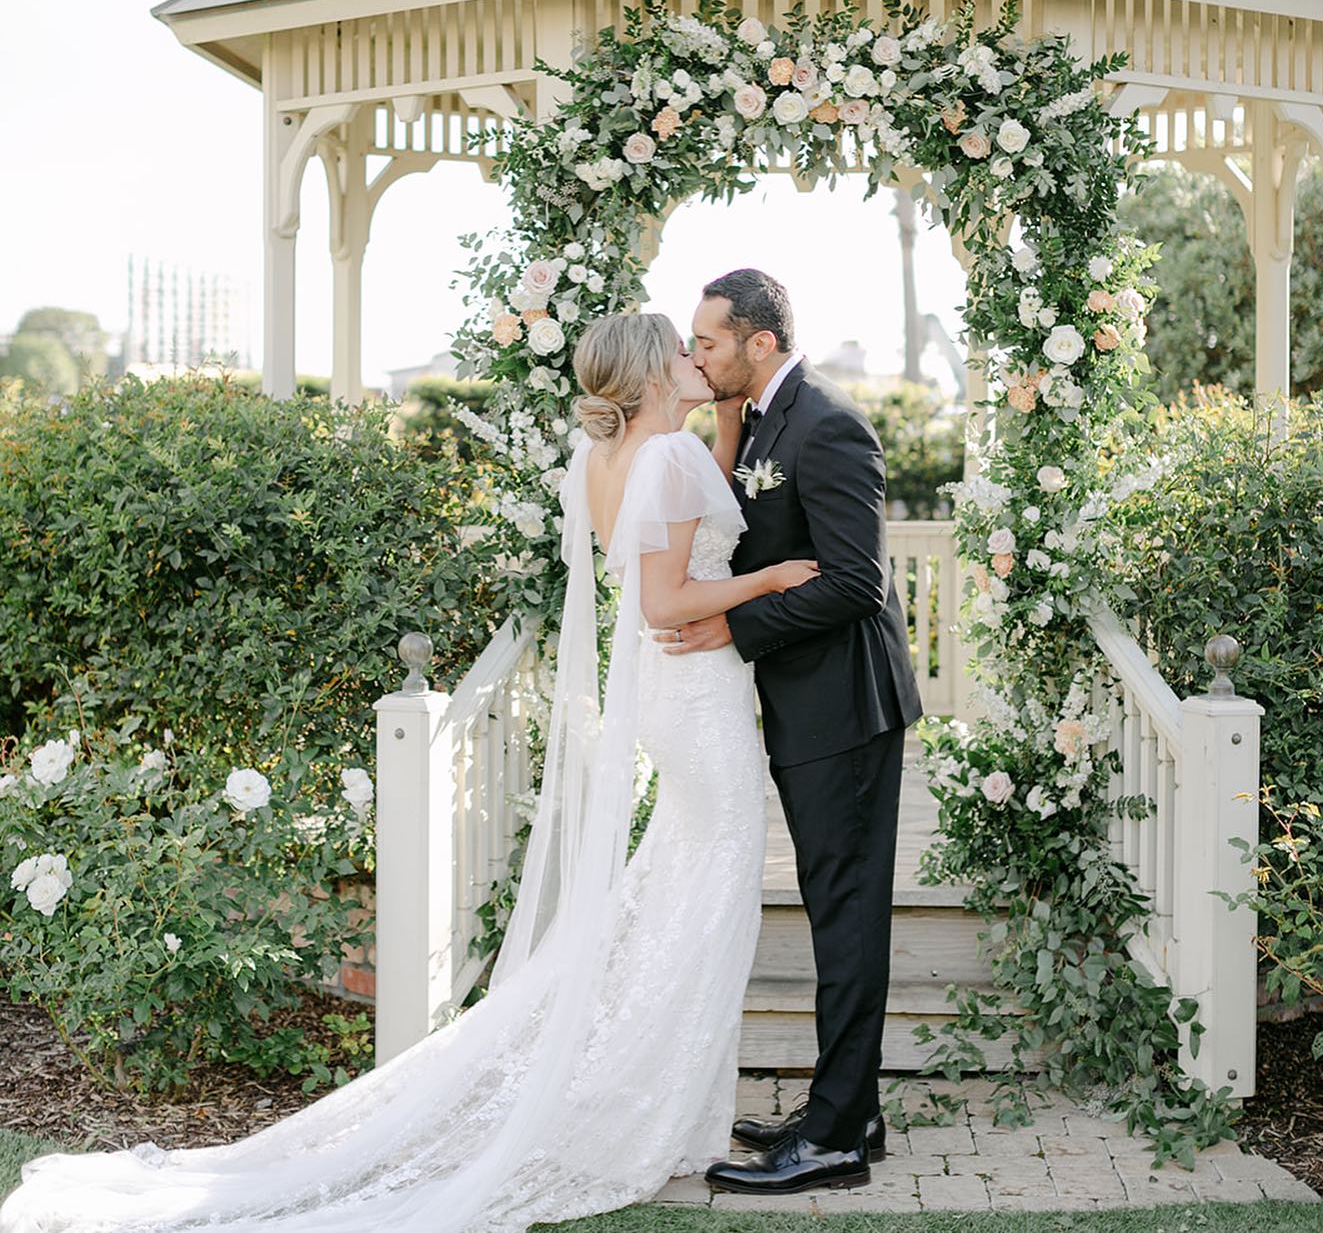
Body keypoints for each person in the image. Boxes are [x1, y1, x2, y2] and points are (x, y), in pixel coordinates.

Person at [0, 311, 820, 1233]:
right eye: (680, 348)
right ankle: (658, 1112)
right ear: (650, 369)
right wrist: (769, 578)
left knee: (682, 889)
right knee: (707, 894)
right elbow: (667, 595)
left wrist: (719, 426)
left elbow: (660, 550)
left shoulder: (605, 460)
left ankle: (667, 1106)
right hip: (699, 693)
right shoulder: (663, 462)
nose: (691, 357)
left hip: (677, 697)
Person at [658, 268, 923, 1197]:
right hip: (803, 705)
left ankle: (837, 1140)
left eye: (709, 341)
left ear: (758, 342)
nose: (697, 354)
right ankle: (850, 1110)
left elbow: (857, 582)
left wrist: (732, 623)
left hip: (846, 711)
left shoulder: (830, 423)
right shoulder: (765, 420)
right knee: (829, 911)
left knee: (844, 919)